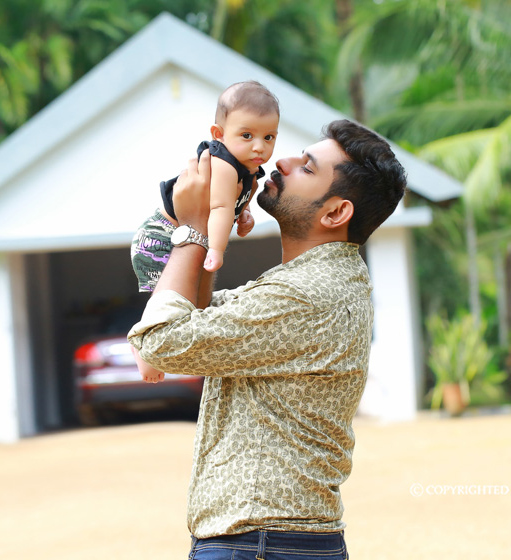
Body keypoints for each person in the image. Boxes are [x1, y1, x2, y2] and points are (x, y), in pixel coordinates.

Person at [127, 119, 407, 559]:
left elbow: (160, 342)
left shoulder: (305, 294)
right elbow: (201, 318)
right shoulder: (317, 282)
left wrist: (192, 228)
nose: (283, 160)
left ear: (335, 213)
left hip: (260, 543)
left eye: (307, 167)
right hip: (275, 541)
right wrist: (212, 222)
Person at [130, 80, 279, 293]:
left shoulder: (249, 166)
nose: (259, 147)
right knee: (173, 302)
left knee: (191, 303)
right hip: (161, 237)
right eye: (247, 136)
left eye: (268, 137)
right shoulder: (224, 164)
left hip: (184, 236)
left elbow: (236, 197)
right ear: (219, 134)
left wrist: (244, 211)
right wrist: (216, 250)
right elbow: (220, 207)